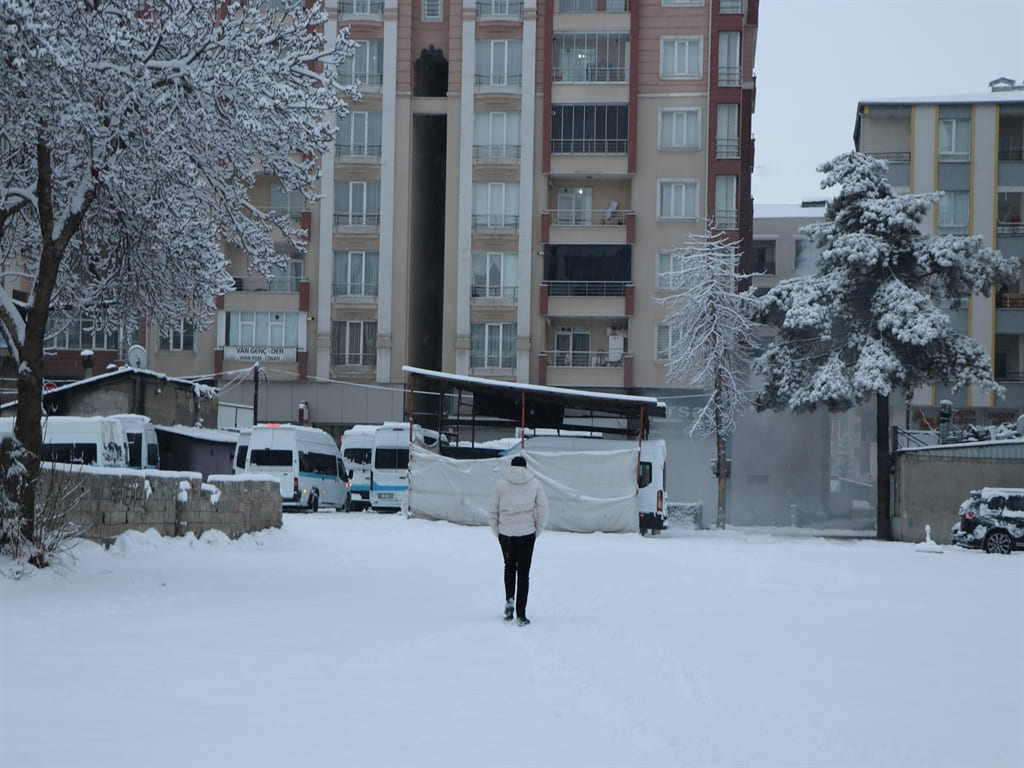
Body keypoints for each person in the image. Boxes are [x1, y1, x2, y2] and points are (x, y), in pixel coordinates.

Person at [488, 455, 549, 626]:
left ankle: (509, 603)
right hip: (527, 533)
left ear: (511, 466)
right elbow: (543, 508)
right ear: (526, 467)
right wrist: (537, 529)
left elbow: (492, 508)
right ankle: (521, 614)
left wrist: (497, 530)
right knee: (523, 573)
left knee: (509, 568)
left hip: (506, 533)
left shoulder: (501, 484)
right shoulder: (534, 483)